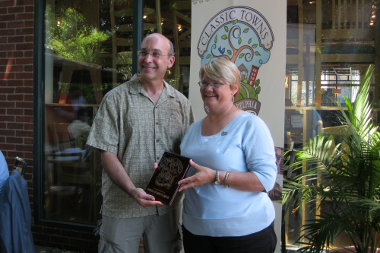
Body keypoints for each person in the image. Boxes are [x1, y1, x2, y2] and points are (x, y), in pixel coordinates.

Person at [86, 33, 194, 253]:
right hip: (122, 206)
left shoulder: (181, 103)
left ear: (170, 61)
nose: (147, 59)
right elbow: (106, 152)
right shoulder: (116, 99)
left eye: (156, 54)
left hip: (165, 208)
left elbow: (187, 152)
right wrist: (132, 190)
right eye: (144, 53)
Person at [178, 58, 277, 253]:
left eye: (216, 83)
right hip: (196, 233)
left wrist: (215, 176)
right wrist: (167, 174)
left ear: (234, 88)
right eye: (204, 83)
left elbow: (266, 180)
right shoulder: (193, 129)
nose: (208, 89)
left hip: (244, 236)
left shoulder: (250, 125)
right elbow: (190, 173)